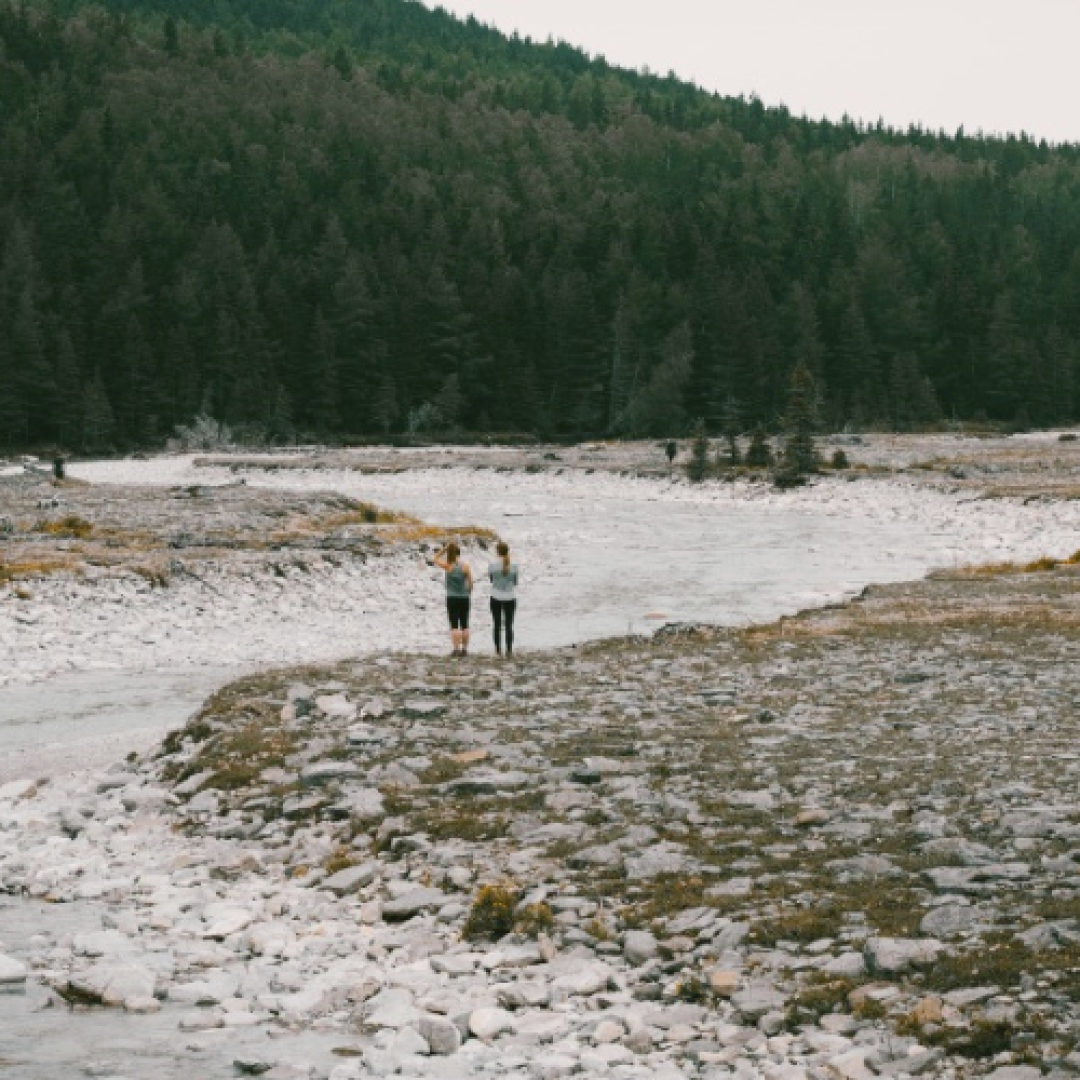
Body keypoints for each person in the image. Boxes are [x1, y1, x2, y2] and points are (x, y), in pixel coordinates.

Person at [434, 541, 473, 657]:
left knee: (454, 625)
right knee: (465, 624)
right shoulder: (466, 566)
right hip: (464, 598)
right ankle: (464, 650)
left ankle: (456, 649)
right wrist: (468, 592)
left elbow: (435, 558)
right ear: (459, 554)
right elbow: (471, 584)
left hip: (452, 598)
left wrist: (445, 548)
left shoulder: (447, 565)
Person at [488, 541, 519, 658]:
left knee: (496, 624)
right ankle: (509, 651)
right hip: (510, 597)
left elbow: (491, 580)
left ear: (497, 552)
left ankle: (497, 651)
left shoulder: (492, 565)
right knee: (509, 625)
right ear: (507, 551)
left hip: (495, 596)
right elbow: (515, 582)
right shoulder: (514, 566)